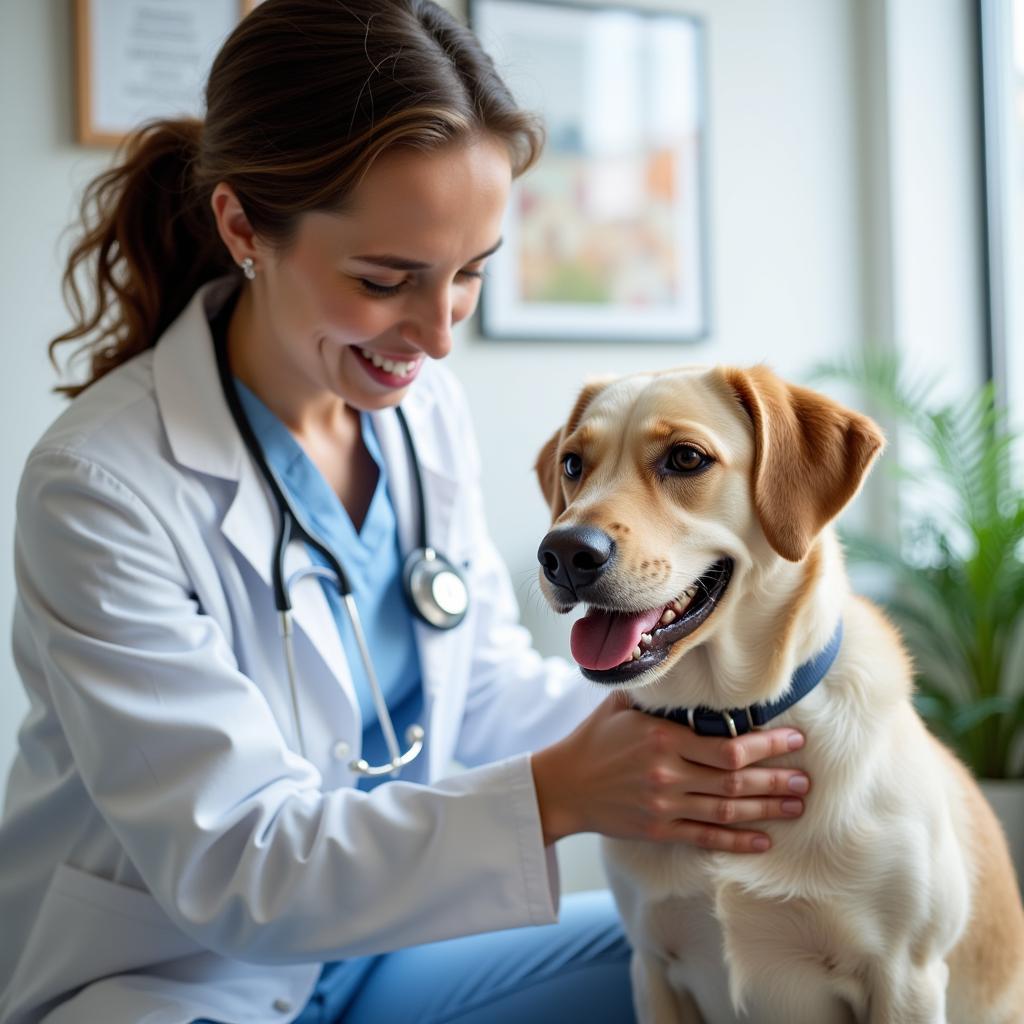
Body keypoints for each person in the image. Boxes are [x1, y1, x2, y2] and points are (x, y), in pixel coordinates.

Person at [0, 2, 812, 1021]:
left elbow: (478, 693)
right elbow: (232, 863)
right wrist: (563, 792)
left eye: (471, 273)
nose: (435, 335)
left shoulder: (418, 412)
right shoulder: (101, 486)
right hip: (174, 977)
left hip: (386, 943)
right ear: (244, 226)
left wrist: (718, 737)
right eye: (388, 279)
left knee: (736, 960)